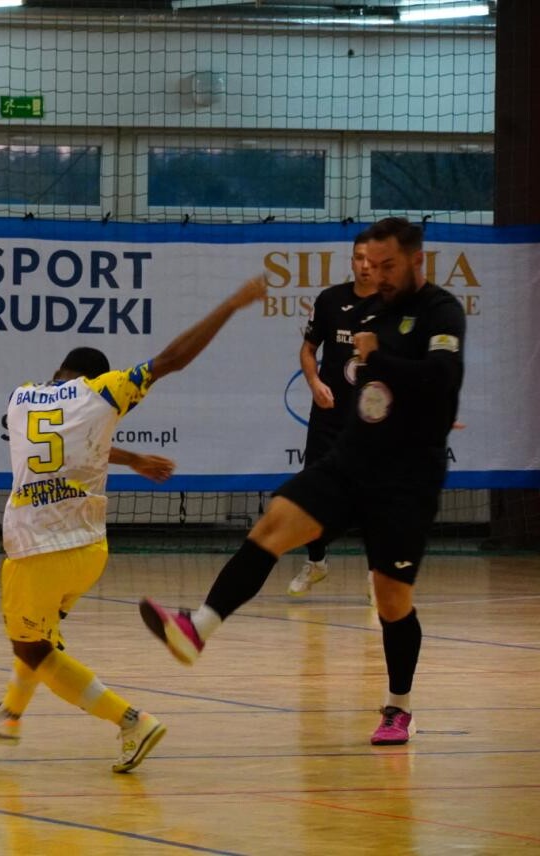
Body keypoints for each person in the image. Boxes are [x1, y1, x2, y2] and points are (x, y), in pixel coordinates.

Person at [140, 217, 465, 746]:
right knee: (273, 524)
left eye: (387, 266)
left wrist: (379, 361)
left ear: (416, 262)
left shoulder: (440, 311)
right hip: (351, 459)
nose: (376, 274)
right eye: (370, 264)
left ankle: (398, 707)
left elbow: (442, 377)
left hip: (406, 479)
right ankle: (199, 626)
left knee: (391, 601)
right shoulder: (365, 312)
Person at [0, 274, 268, 774]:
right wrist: (231, 304)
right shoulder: (104, 393)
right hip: (88, 551)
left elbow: (63, 442)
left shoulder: (19, 398)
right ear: (93, 378)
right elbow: (170, 361)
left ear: (58, 371)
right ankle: (10, 715)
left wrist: (128, 458)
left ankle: (132, 720)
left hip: (34, 547)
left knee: (31, 645)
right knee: (41, 636)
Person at [286, 231, 378, 602]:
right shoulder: (330, 301)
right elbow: (308, 350)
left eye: (372, 259)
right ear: (352, 261)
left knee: (374, 497)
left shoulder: (394, 307)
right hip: (328, 417)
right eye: (359, 258)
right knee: (314, 492)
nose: (365, 265)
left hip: (373, 421)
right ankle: (317, 561)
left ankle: (378, 574)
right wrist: (313, 382)